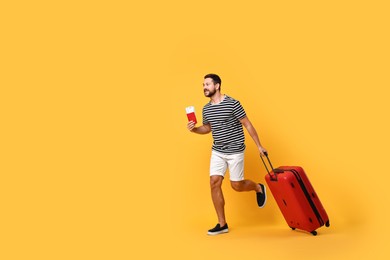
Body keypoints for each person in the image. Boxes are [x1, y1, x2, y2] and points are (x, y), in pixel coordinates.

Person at [187, 73, 268, 236]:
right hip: (218, 151)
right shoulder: (206, 108)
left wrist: (259, 146)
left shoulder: (233, 103)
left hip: (235, 150)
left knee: (236, 185)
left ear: (217, 86)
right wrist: (194, 129)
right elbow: (208, 128)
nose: (204, 87)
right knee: (214, 182)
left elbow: (247, 124)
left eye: (207, 84)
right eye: (203, 85)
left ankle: (258, 187)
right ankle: (222, 224)